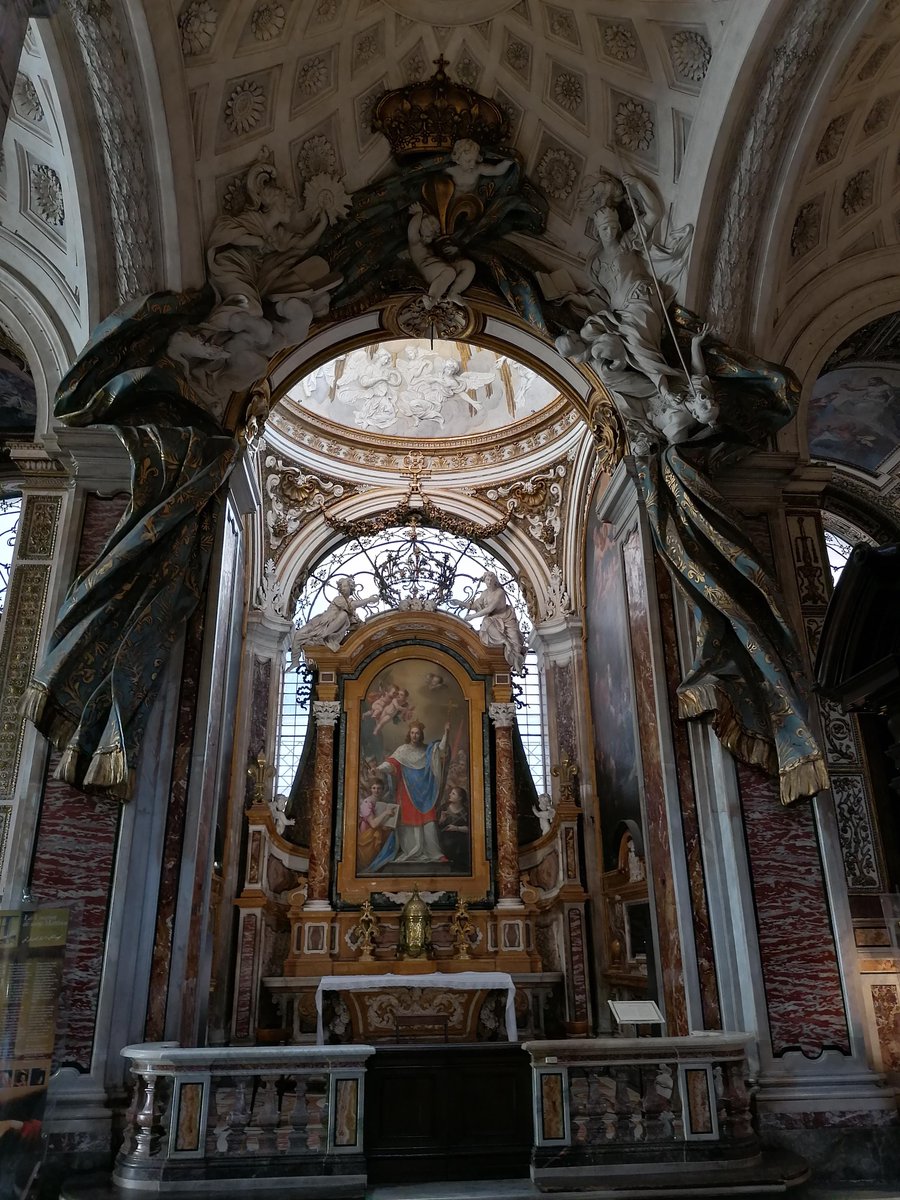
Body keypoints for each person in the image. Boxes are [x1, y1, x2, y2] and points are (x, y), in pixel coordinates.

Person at [366, 720, 451, 869]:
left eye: (417, 733)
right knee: (408, 822)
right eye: (412, 733)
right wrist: (377, 769)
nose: (414, 735)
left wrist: (446, 733)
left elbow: (442, 749)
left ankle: (435, 854)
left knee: (429, 822)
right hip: (407, 790)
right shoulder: (403, 750)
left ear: (421, 734)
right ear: (409, 734)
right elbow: (390, 764)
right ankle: (412, 852)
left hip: (425, 793)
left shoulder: (428, 750)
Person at [406, 202, 475, 308]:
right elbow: (412, 231)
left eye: (432, 234)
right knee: (449, 272)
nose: (429, 238)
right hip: (428, 270)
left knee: (468, 265)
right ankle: (432, 298)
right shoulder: (416, 244)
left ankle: (454, 292)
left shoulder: (431, 246)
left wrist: (455, 249)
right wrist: (418, 213)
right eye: (427, 234)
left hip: (441, 269)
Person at [289, 576, 373, 663]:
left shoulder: (348, 611)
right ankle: (295, 661)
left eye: (345, 586)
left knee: (344, 615)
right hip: (321, 622)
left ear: (350, 588)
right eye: (341, 587)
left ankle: (322, 636)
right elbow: (352, 605)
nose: (342, 588)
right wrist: (369, 600)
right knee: (299, 634)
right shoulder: (339, 599)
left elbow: (354, 619)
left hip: (328, 626)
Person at [464, 571, 526, 673]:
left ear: (495, 581)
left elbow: (489, 609)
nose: (489, 582)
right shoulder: (484, 593)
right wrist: (460, 603)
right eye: (487, 580)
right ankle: (505, 641)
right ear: (484, 581)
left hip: (507, 619)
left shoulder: (499, 592)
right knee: (486, 622)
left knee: (516, 643)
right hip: (493, 619)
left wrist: (472, 617)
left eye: (491, 580)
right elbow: (474, 606)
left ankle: (516, 661)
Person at [357, 777, 395, 868]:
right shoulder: (367, 803)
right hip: (368, 834)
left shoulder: (381, 801)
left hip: (377, 830)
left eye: (379, 788)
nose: (376, 791)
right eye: (374, 788)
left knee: (393, 834)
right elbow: (373, 824)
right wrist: (386, 813)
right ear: (370, 789)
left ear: (382, 789)